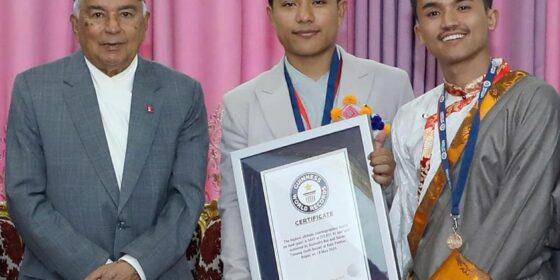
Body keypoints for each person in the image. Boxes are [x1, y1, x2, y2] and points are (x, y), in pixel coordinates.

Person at [5, 0, 209, 279]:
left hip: (156, 272)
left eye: (126, 14)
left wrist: (136, 265)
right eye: (98, 14)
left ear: (145, 23)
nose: (112, 28)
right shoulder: (34, 90)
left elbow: (187, 196)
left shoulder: (183, 94)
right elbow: (23, 195)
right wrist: (94, 266)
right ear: (75, 25)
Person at [218, 0, 414, 278]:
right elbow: (236, 208)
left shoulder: (390, 84)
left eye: (318, 2)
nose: (305, 16)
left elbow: (415, 195)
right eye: (289, 4)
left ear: (341, 9)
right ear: (271, 16)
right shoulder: (242, 105)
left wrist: (392, 177)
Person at [389, 0, 560, 278]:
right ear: (419, 33)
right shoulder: (409, 117)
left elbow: (522, 216)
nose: (448, 21)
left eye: (463, 7)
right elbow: (405, 225)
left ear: (491, 18)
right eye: (433, 12)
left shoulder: (533, 102)